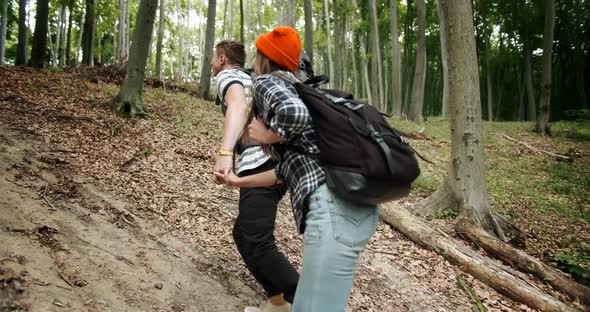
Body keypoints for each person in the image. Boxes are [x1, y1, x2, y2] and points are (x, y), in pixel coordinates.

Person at [215, 27, 379, 312]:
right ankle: (277, 305)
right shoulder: (299, 90)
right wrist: (237, 182)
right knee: (309, 305)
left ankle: (278, 304)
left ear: (263, 59)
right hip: (354, 208)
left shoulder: (267, 82)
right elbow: (283, 173)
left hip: (330, 208)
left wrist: (264, 137)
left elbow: (295, 116)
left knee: (310, 304)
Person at [210, 40, 299, 312]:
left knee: (254, 237)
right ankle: (278, 305)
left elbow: (237, 106)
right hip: (274, 163)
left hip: (261, 162)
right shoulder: (253, 77)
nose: (212, 64)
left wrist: (225, 153)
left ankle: (308, 300)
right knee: (245, 233)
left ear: (223, 59)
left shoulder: (229, 76)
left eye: (213, 58)